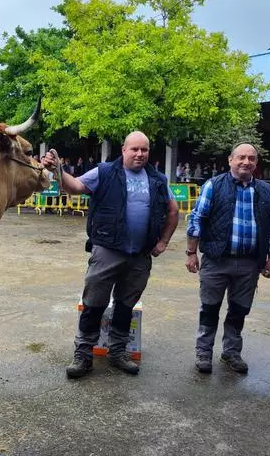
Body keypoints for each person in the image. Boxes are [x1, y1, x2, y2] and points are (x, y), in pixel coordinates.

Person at [41, 131, 180, 378]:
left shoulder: (158, 179)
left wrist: (164, 242)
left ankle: (117, 352)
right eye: (134, 149)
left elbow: (172, 210)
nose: (139, 154)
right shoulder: (104, 172)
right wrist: (58, 171)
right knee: (94, 303)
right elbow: (75, 187)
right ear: (124, 150)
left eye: (144, 150)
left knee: (126, 306)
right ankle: (83, 354)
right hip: (107, 249)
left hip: (140, 254)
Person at [185, 143, 270, 375]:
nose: (246, 162)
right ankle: (204, 351)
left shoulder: (266, 191)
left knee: (239, 310)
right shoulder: (214, 185)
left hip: (249, 263)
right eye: (241, 157)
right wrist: (191, 253)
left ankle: (231, 352)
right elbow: (197, 219)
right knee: (209, 308)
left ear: (256, 163)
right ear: (230, 160)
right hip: (216, 260)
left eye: (251, 158)